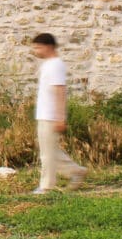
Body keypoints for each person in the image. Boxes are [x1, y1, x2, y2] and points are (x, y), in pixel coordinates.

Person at [31, 32, 86, 194]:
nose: (36, 51)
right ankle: (76, 172)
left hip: (50, 115)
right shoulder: (48, 64)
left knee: (47, 154)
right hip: (44, 114)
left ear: (48, 47)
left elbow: (59, 90)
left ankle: (46, 186)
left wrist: (60, 117)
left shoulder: (55, 65)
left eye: (38, 47)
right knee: (50, 151)